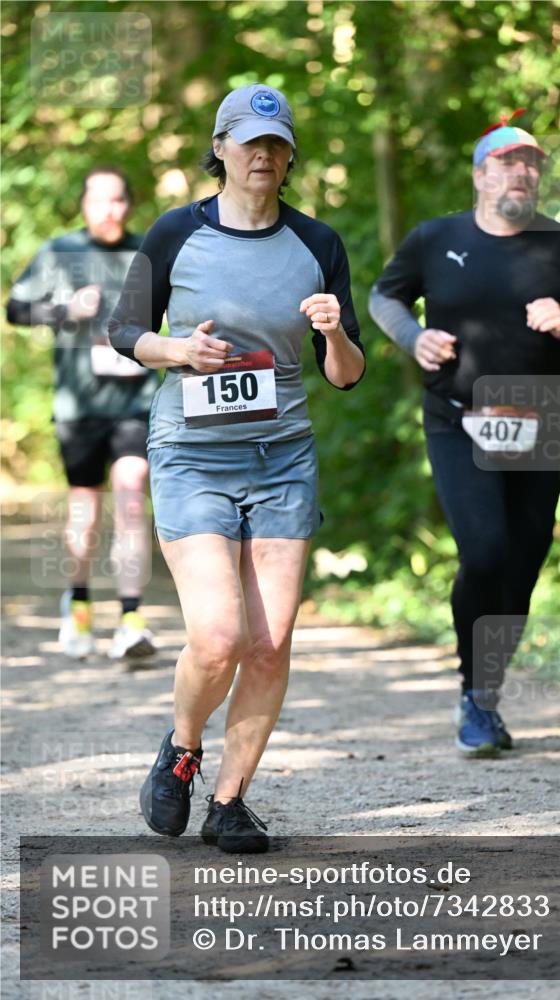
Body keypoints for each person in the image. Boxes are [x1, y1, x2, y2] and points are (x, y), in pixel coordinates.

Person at [108, 84, 365, 852]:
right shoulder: (175, 233)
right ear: (219, 148)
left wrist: (331, 333)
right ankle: (183, 747)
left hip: (282, 453)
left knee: (270, 640)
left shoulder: (317, 245)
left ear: (289, 158)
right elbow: (124, 330)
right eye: (248, 141)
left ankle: (230, 802)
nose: (263, 154)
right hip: (190, 448)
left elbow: (346, 374)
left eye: (277, 143)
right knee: (218, 636)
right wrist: (179, 350)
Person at [369, 111, 560, 757]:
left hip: (533, 416)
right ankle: (472, 696)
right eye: (507, 163)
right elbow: (383, 297)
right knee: (482, 551)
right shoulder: (435, 238)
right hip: (457, 416)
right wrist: (412, 337)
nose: (521, 173)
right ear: (480, 175)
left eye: (531, 163)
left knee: (521, 564)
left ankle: (487, 694)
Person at [6, 167, 159, 660]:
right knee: (86, 511)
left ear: (129, 205)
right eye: (99, 201)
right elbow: (15, 309)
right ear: (84, 205)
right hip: (79, 404)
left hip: (137, 400)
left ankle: (132, 618)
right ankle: (79, 604)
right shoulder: (59, 253)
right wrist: (63, 309)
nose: (109, 210)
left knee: (132, 495)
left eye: (118, 201)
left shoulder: (149, 252)